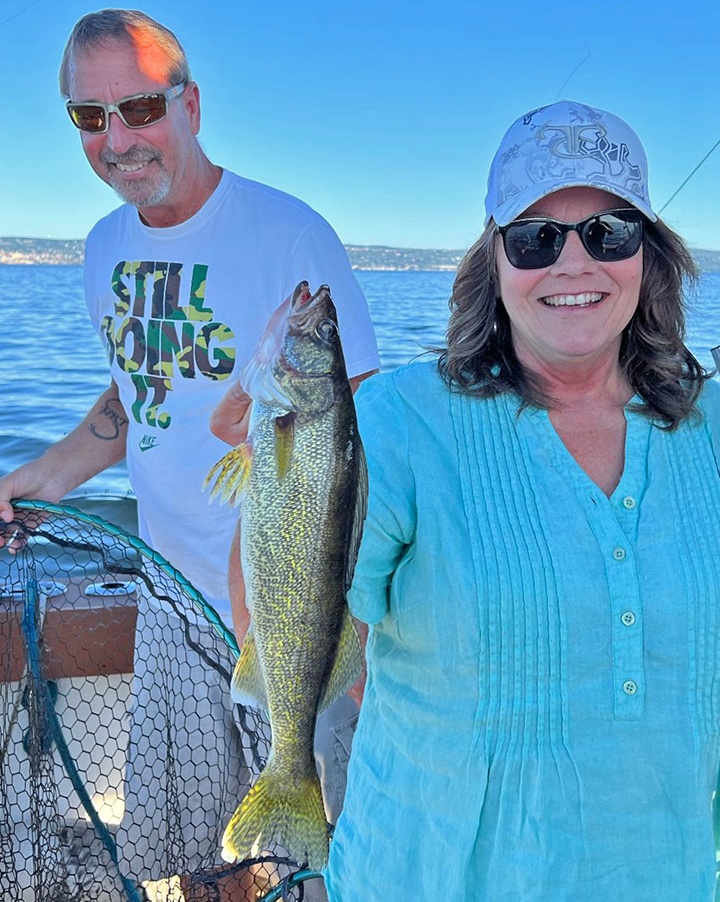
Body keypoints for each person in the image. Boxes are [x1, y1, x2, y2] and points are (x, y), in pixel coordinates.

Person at [0, 9, 379, 899]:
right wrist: (42, 477)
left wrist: (363, 630)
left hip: (299, 618)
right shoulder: (103, 247)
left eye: (138, 106)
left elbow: (362, 433)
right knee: (204, 863)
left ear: (192, 104)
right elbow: (141, 390)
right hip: (172, 603)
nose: (118, 138)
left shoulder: (290, 236)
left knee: (320, 865)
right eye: (89, 118)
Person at [321, 100, 720, 901]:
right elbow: (294, 617)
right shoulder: (395, 424)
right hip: (427, 875)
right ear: (493, 261)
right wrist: (282, 459)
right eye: (535, 239)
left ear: (650, 254)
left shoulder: (710, 427)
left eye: (610, 232)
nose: (574, 264)